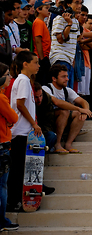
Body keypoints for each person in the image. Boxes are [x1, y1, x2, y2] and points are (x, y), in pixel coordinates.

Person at [7, 51, 39, 212]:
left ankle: (16, 201)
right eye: (35, 62)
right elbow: (20, 104)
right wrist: (34, 124)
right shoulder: (23, 80)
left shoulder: (24, 80)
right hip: (20, 132)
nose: (38, 66)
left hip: (21, 132)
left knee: (19, 170)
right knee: (17, 171)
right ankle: (14, 203)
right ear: (25, 64)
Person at [42, 64, 92, 153]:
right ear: (54, 78)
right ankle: (57, 143)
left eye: (67, 76)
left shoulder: (67, 90)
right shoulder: (46, 88)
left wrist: (85, 111)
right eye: (63, 77)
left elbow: (84, 102)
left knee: (79, 115)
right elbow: (57, 102)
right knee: (64, 112)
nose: (67, 79)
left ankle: (68, 143)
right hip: (48, 121)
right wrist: (79, 109)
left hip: (63, 119)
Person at [49, 0, 83, 90]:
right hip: (60, 58)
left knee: (68, 90)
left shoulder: (76, 22)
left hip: (69, 60)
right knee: (62, 89)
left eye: (80, 3)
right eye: (76, 2)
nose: (79, 5)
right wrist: (68, 24)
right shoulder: (59, 19)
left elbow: (74, 42)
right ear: (68, 4)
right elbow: (60, 39)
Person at [0, 63, 19, 231]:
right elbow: (13, 117)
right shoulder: (1, 98)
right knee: (2, 186)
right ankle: (2, 220)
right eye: (7, 74)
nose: (10, 78)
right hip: (2, 145)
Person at [32, 0, 53, 86]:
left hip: (44, 56)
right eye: (46, 8)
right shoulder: (38, 22)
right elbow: (38, 41)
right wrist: (42, 58)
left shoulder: (42, 22)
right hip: (41, 57)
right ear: (38, 9)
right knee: (42, 83)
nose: (49, 10)